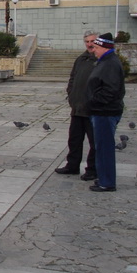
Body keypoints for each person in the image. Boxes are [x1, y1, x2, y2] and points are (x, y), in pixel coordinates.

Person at [55, 31, 98, 180]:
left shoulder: (100, 59)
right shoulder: (81, 59)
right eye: (87, 41)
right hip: (77, 108)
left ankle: (92, 169)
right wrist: (71, 95)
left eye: (92, 41)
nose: (90, 44)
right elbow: (72, 78)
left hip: (92, 110)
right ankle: (72, 166)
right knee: (74, 139)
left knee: (94, 142)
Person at [86, 33, 125, 193]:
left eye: (95, 47)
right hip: (101, 111)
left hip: (105, 112)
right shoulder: (105, 61)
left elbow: (111, 90)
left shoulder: (110, 63)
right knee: (100, 147)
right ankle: (103, 177)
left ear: (104, 47)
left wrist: (93, 100)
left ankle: (107, 182)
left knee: (105, 148)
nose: (93, 50)